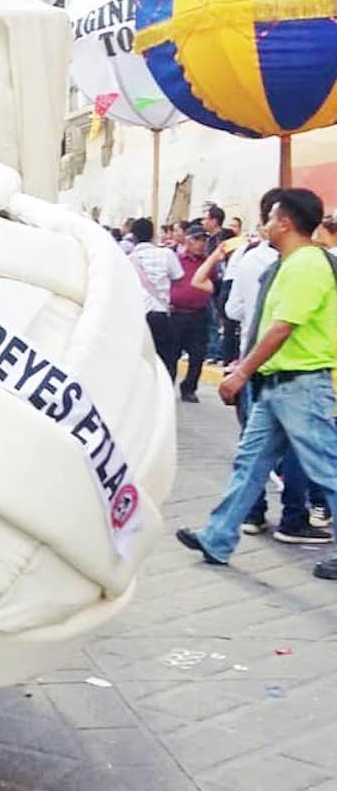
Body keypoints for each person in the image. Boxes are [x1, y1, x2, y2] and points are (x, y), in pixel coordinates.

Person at [176, 188, 337, 579]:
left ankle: (219, 536)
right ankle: (217, 537)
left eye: (270, 217)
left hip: (300, 383)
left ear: (285, 222)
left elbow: (283, 327)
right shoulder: (290, 263)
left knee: (327, 470)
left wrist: (243, 371)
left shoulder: (307, 265)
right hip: (278, 384)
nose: (264, 225)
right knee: (250, 465)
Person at [127, 217, 182, 377]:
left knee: (141, 358)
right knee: (166, 357)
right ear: (153, 235)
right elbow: (178, 277)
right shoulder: (167, 254)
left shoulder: (128, 259)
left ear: (134, 237)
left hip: (139, 314)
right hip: (161, 312)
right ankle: (166, 391)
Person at [170, 225, 212, 402]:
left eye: (203, 240)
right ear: (188, 240)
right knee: (172, 354)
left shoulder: (207, 263)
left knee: (197, 354)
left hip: (198, 314)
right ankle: (167, 386)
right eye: (197, 240)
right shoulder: (176, 260)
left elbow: (214, 284)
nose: (201, 244)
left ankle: (189, 388)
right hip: (177, 314)